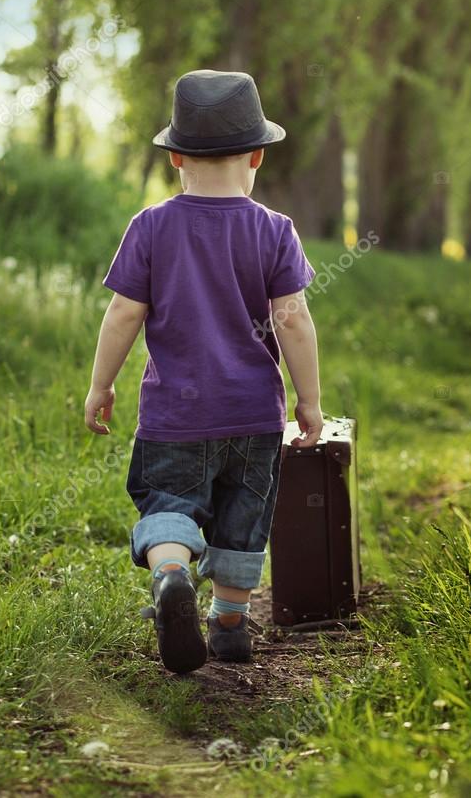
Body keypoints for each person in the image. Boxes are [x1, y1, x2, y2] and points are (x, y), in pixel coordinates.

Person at [84, 69, 322, 673]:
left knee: (169, 501)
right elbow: (293, 321)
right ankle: (231, 623)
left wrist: (101, 385)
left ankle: (170, 573)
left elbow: (123, 313)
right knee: (244, 516)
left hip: (175, 415)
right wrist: (309, 401)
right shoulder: (275, 230)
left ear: (176, 158)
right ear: (257, 156)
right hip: (254, 415)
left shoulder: (150, 227)